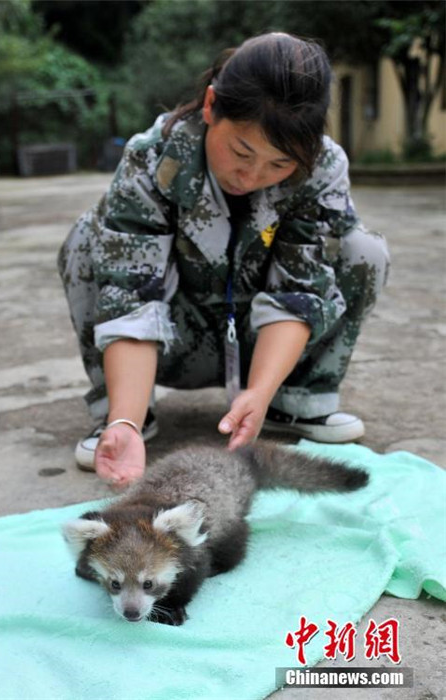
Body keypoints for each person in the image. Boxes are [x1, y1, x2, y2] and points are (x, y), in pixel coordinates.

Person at [58, 32, 389, 488]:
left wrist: (260, 390)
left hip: (262, 345)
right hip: (175, 343)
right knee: (83, 240)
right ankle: (126, 415)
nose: (252, 176)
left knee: (363, 251)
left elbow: (300, 291)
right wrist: (125, 422)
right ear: (212, 106)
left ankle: (290, 403)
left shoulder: (323, 168)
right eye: (241, 152)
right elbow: (131, 294)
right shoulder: (152, 158)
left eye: (279, 165)